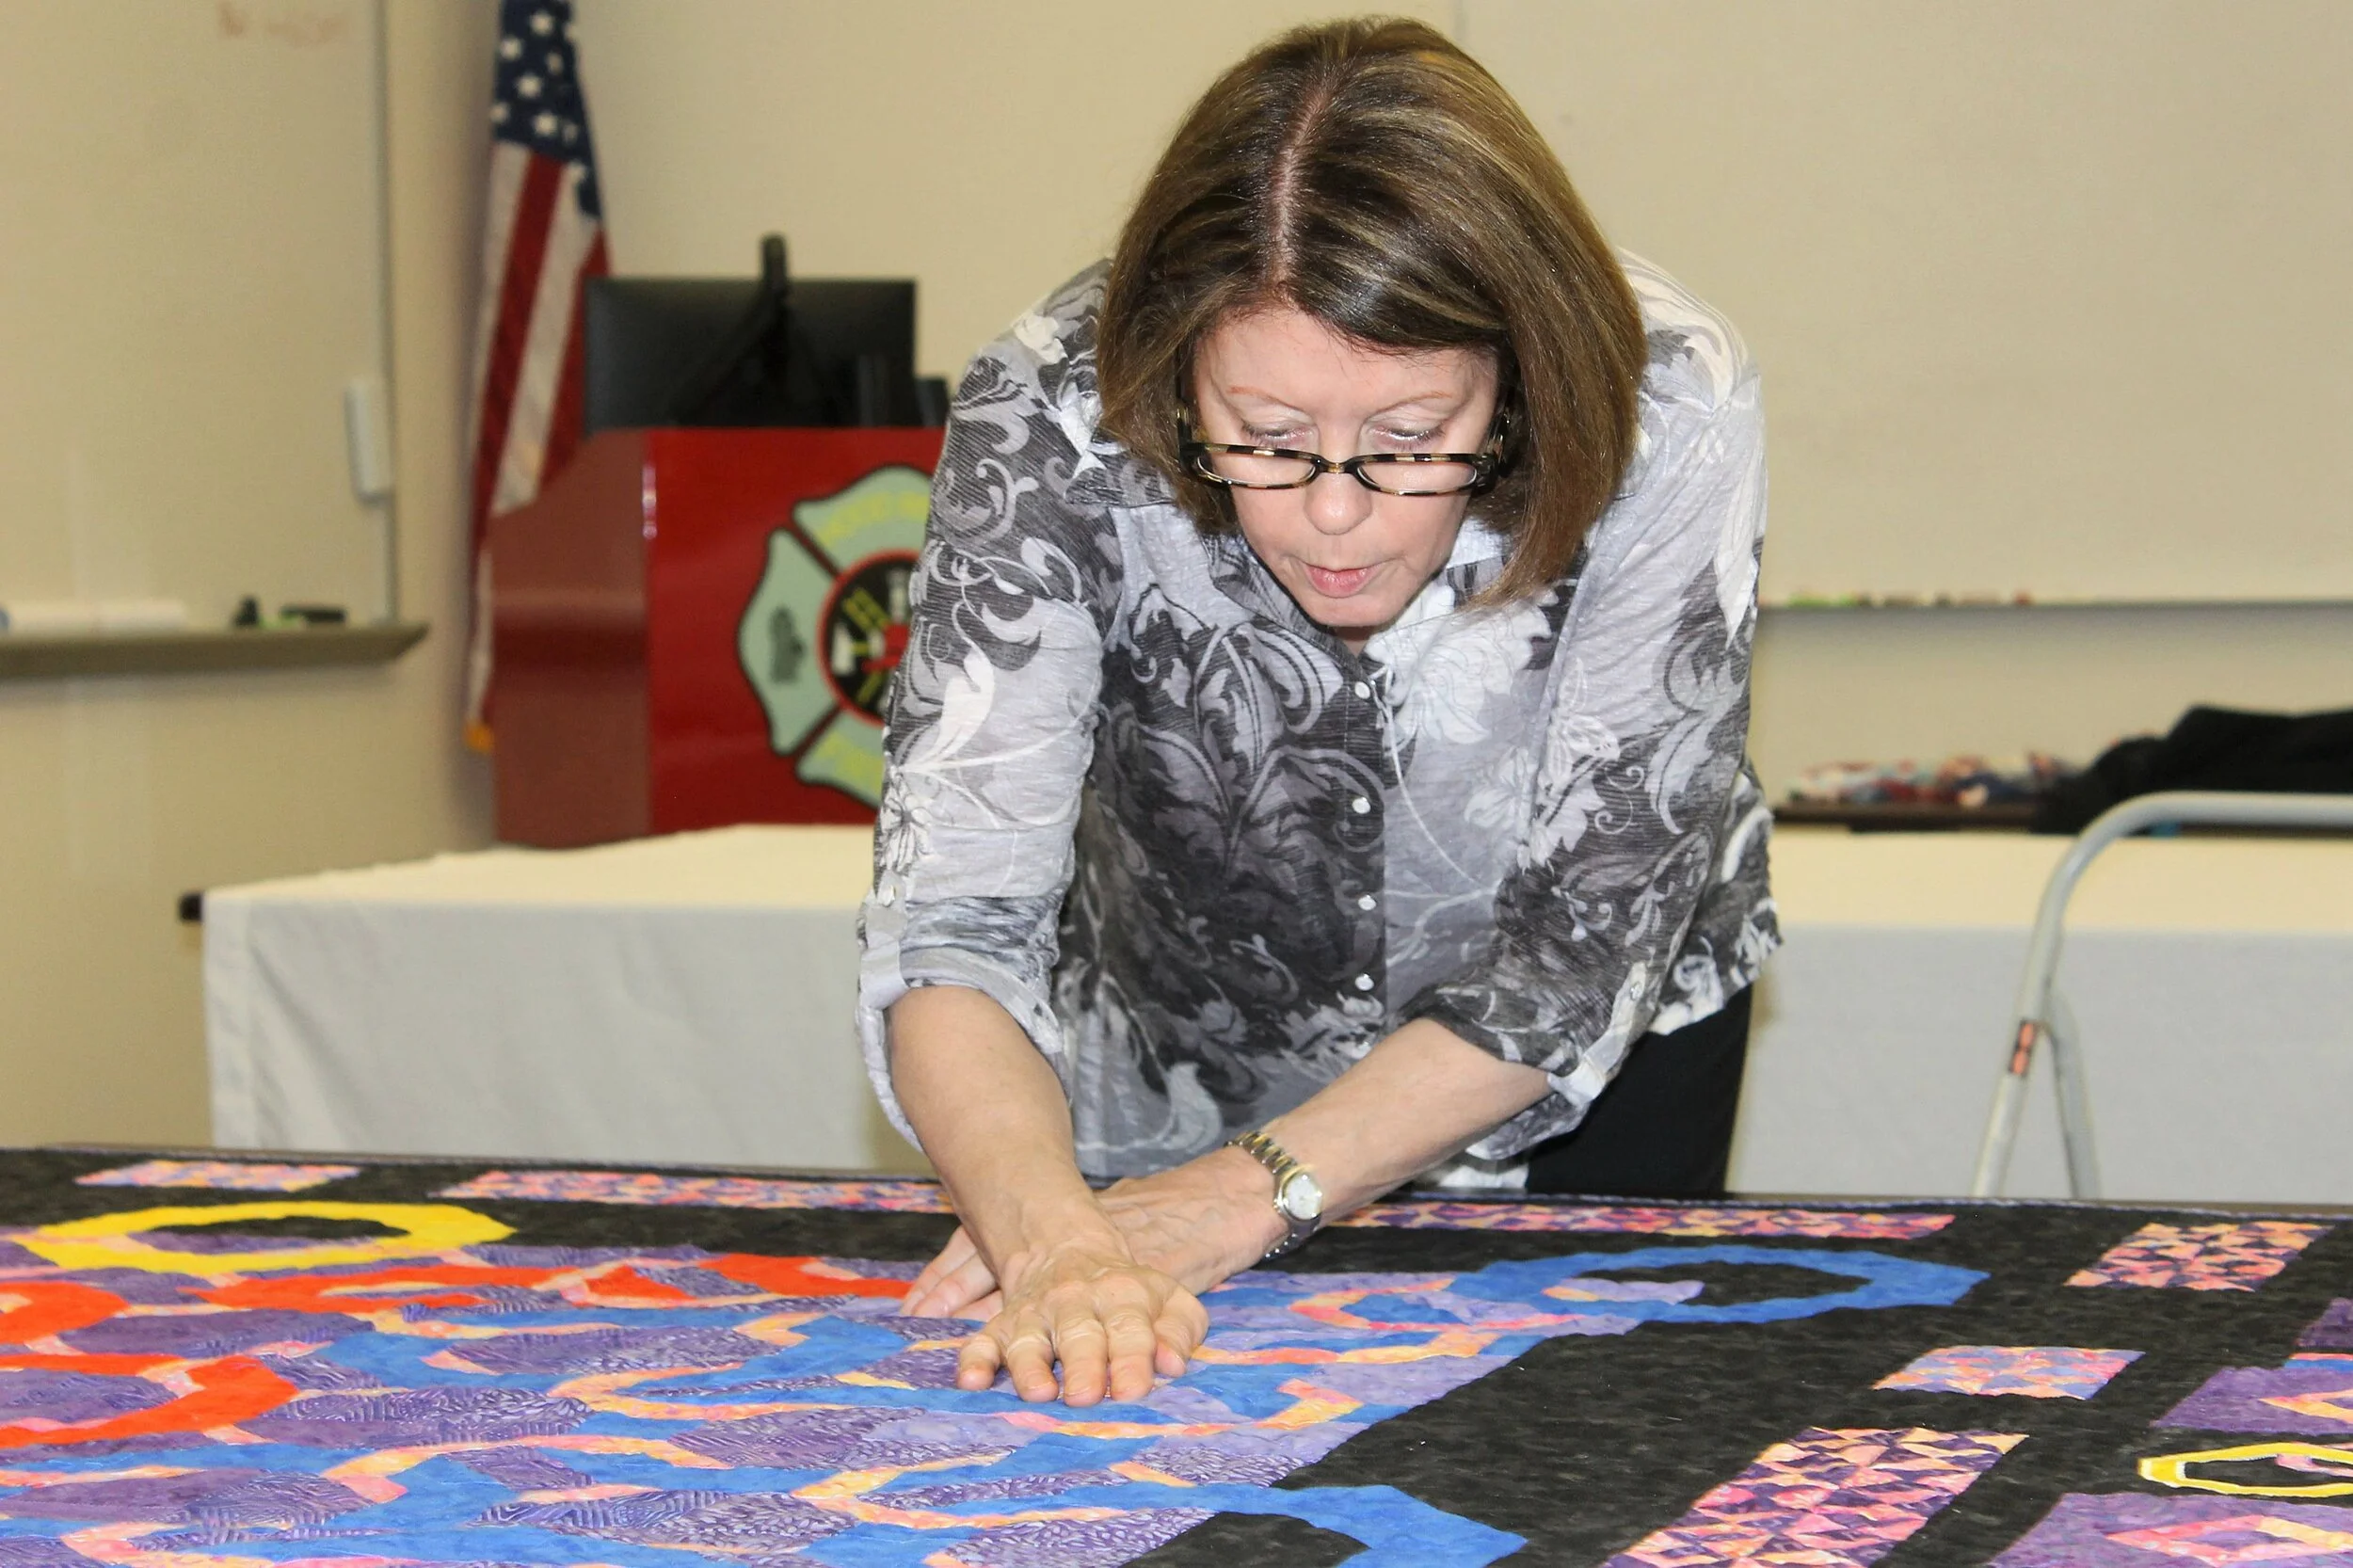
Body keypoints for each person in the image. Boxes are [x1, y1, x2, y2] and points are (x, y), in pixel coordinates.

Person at [855, 17, 1776, 1407]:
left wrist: (1245, 1194)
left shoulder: (1666, 403)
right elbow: (954, 919)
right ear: (1176, 372)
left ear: (1514, 380)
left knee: (1581, 1446)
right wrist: (1054, 1242)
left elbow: (1579, 945)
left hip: (1584, 1070)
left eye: (1410, 440)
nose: (1335, 512)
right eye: (1268, 439)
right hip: (1183, 1038)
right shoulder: (1050, 416)